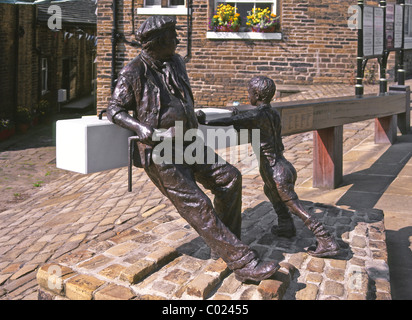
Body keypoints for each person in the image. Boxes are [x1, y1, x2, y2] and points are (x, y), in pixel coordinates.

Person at [106, 16, 279, 282]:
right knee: (198, 205)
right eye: (173, 36)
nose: (177, 40)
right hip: (161, 150)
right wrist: (140, 128)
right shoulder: (133, 71)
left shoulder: (175, 62)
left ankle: (226, 246)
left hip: (189, 141)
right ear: (158, 40)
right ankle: (243, 263)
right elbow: (114, 110)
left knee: (230, 178)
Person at [200, 76, 340, 258]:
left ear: (256, 94)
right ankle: (285, 225)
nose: (248, 95)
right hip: (281, 166)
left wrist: (205, 121)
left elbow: (226, 121)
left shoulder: (256, 115)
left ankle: (325, 239)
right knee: (270, 192)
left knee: (295, 206)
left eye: (249, 92)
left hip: (275, 170)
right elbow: (248, 124)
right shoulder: (272, 114)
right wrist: (238, 118)